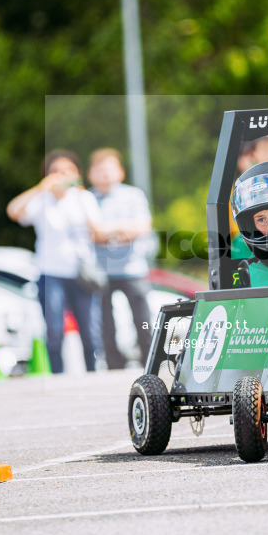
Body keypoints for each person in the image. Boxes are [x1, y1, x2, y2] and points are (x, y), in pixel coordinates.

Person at [7, 150, 102, 374]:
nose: (63, 176)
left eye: (68, 171)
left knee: (90, 331)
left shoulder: (84, 198)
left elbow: (97, 231)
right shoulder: (41, 200)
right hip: (51, 272)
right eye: (57, 172)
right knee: (54, 331)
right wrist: (41, 188)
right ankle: (57, 375)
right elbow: (13, 211)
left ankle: (94, 372)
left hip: (81, 273)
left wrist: (80, 197)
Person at [87, 148, 153, 370]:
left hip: (133, 268)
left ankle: (149, 359)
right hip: (100, 270)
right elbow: (91, 233)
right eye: (99, 170)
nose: (104, 175)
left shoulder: (133, 195)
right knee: (105, 323)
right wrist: (121, 231)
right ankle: (113, 364)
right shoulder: (87, 198)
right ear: (91, 174)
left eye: (109, 170)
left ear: (120, 172)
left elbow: (142, 227)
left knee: (143, 319)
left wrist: (106, 233)